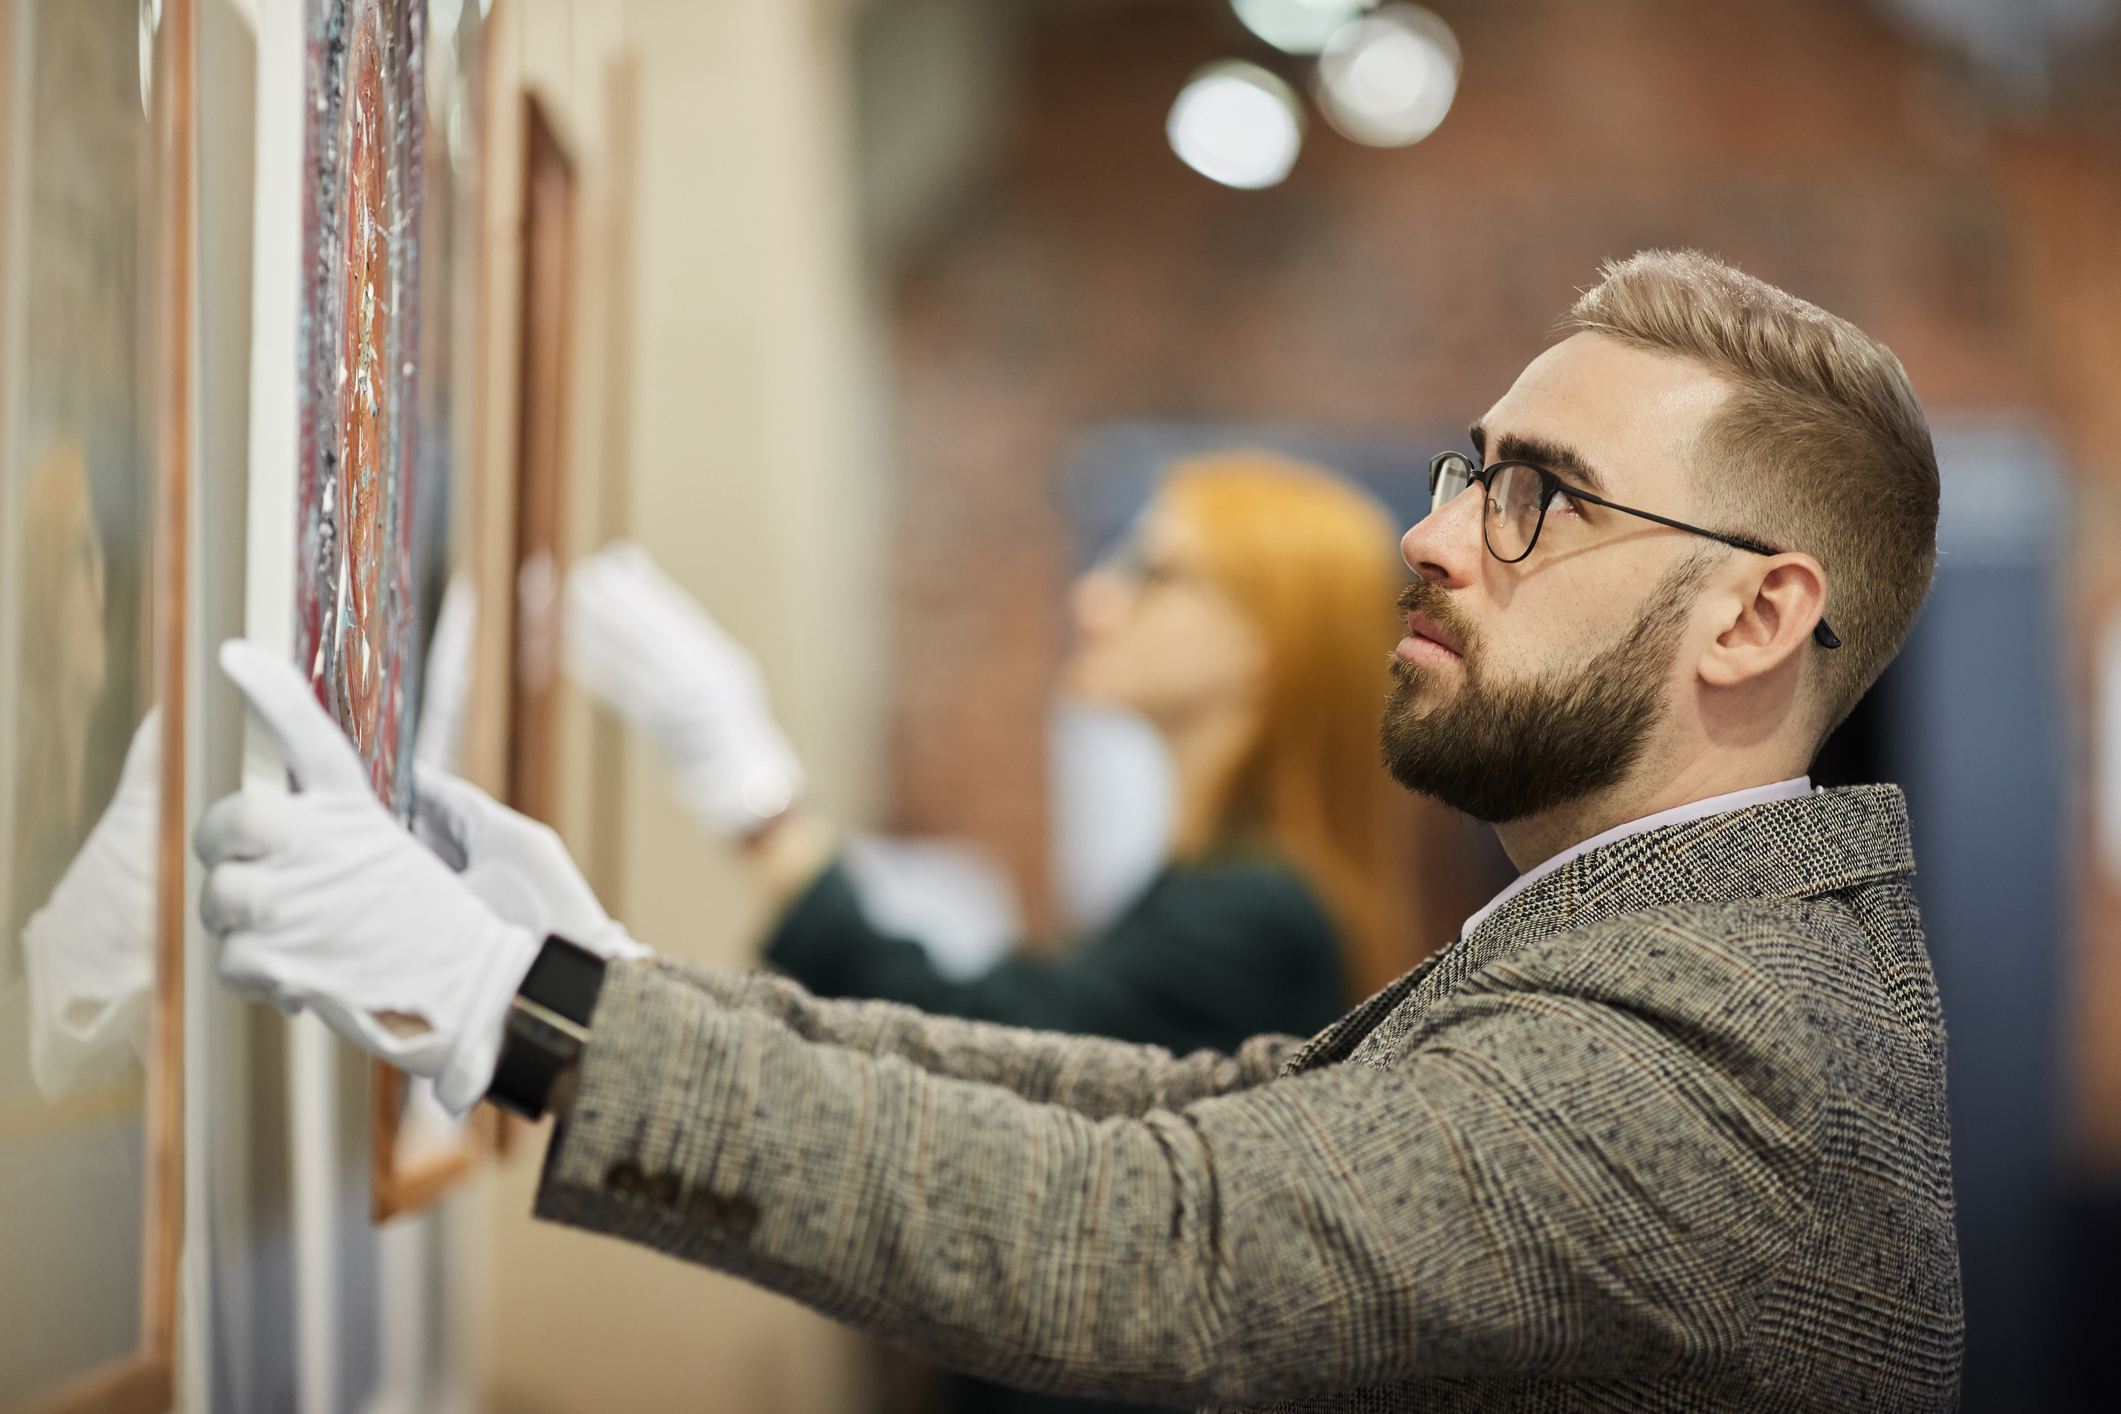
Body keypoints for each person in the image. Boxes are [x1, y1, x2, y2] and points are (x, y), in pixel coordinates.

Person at [197, 250, 1962, 1412]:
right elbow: (1167, 1104)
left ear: (1751, 619)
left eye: (1537, 496)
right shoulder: (1656, 949)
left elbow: (1165, 1235)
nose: (1429, 538)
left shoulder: (1715, 1045)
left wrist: (533, 1013)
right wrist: (596, 990)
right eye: (1465, 466)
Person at [564, 455, 1409, 1066]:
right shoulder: (1229, 888)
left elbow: (979, 1044)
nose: (1094, 598)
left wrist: (747, 790)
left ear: (1265, 645)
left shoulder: (1256, 916)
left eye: (1152, 572)